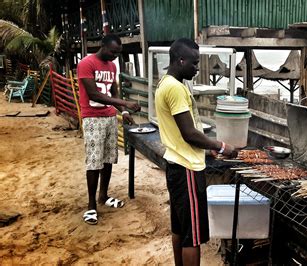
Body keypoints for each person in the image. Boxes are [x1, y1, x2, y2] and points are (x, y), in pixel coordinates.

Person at [155, 38, 238, 265]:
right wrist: (220, 146)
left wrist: (206, 149)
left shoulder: (166, 83)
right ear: (180, 60)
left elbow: (186, 132)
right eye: (194, 63)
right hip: (187, 169)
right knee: (193, 236)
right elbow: (189, 133)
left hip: (176, 165)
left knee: (180, 228)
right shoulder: (175, 88)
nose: (197, 68)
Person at [77, 34, 140, 225]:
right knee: (94, 162)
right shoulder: (86, 64)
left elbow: (113, 92)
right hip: (93, 118)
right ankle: (91, 206)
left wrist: (123, 111)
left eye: (118, 53)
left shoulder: (112, 67)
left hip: (110, 117)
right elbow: (94, 94)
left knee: (108, 159)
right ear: (103, 46)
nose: (115, 56)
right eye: (113, 51)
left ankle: (103, 196)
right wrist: (124, 102)